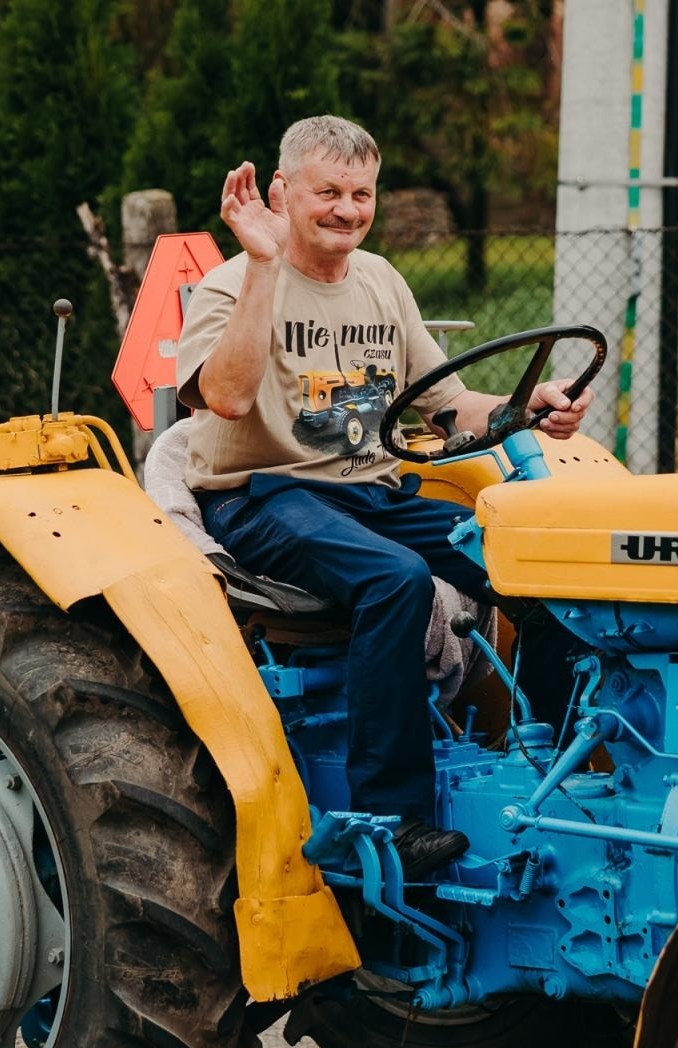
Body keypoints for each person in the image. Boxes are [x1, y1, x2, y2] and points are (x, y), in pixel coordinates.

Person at [175, 115, 594, 879]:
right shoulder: (232, 285)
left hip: (369, 492)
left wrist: (529, 407)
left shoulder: (380, 281)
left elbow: (448, 407)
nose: (347, 210)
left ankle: (553, 769)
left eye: (361, 194)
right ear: (282, 191)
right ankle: (391, 820)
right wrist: (263, 263)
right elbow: (226, 399)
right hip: (263, 495)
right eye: (327, 192)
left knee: (532, 566)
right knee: (396, 579)